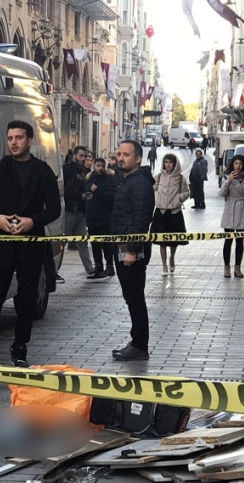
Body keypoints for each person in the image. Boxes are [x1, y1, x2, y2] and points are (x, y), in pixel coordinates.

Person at [0, 120, 61, 367]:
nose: (14, 142)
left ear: (29, 141)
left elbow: (54, 208)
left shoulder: (43, 171)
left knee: (26, 298)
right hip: (0, 243)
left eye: (19, 138)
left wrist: (33, 221)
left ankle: (20, 347)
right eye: (10, 138)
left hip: (31, 245)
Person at [110, 140, 155, 361]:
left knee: (135, 298)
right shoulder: (127, 180)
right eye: (119, 154)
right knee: (132, 297)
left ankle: (139, 345)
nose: (120, 158)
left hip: (130, 249)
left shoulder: (140, 183)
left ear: (137, 159)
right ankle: (137, 342)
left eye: (126, 155)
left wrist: (133, 249)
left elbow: (142, 218)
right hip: (122, 245)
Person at [151, 153, 190, 277]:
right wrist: (157, 197)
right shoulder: (158, 177)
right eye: (166, 162)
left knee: (173, 240)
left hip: (174, 212)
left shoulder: (180, 179)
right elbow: (153, 188)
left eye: (170, 162)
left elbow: (186, 192)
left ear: (175, 164)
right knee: (162, 241)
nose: (168, 165)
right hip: (161, 211)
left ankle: (172, 257)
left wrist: (179, 199)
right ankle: (164, 265)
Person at [62, 145, 95, 276]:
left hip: (79, 211)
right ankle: (53, 271)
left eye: (85, 156)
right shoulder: (68, 168)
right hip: (70, 210)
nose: (83, 159)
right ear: (74, 155)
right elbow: (65, 189)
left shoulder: (82, 171)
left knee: (83, 242)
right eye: (81, 156)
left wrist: (85, 195)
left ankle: (90, 269)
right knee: (62, 240)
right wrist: (80, 196)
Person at [219, 154, 244, 279]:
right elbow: (221, 193)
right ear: (232, 165)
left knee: (240, 241)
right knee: (228, 240)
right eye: (236, 163)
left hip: (242, 209)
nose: (238, 166)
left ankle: (237, 267)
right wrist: (228, 180)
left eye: (241, 164)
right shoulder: (227, 177)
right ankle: (226, 267)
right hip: (230, 209)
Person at [84, 157, 118, 281]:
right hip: (92, 217)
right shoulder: (89, 178)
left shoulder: (109, 179)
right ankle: (98, 266)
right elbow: (86, 192)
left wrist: (98, 191)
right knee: (95, 243)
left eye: (102, 166)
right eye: (98, 165)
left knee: (106, 243)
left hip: (105, 217)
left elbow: (112, 196)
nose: (100, 168)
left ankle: (110, 266)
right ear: (94, 166)